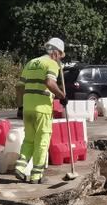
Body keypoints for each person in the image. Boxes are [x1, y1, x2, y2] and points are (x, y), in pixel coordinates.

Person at [14, 37, 67, 184]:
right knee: (42, 141)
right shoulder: (51, 63)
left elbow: (19, 86)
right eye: (60, 56)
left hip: (28, 108)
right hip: (42, 109)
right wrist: (62, 96)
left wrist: (20, 106)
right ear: (56, 52)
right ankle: (37, 175)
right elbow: (49, 82)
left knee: (29, 139)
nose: (59, 59)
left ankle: (20, 166)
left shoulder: (31, 63)